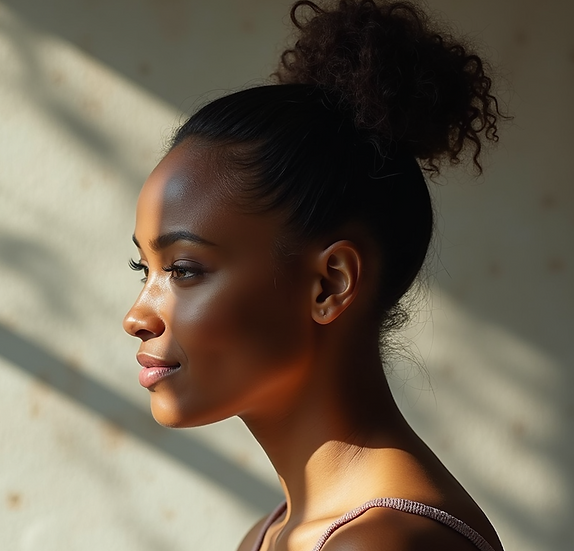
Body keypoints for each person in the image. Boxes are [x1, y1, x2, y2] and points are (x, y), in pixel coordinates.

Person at [122, 1, 506, 549]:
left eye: (182, 269)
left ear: (330, 284)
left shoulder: (382, 543)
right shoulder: (274, 533)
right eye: (144, 268)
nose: (136, 316)